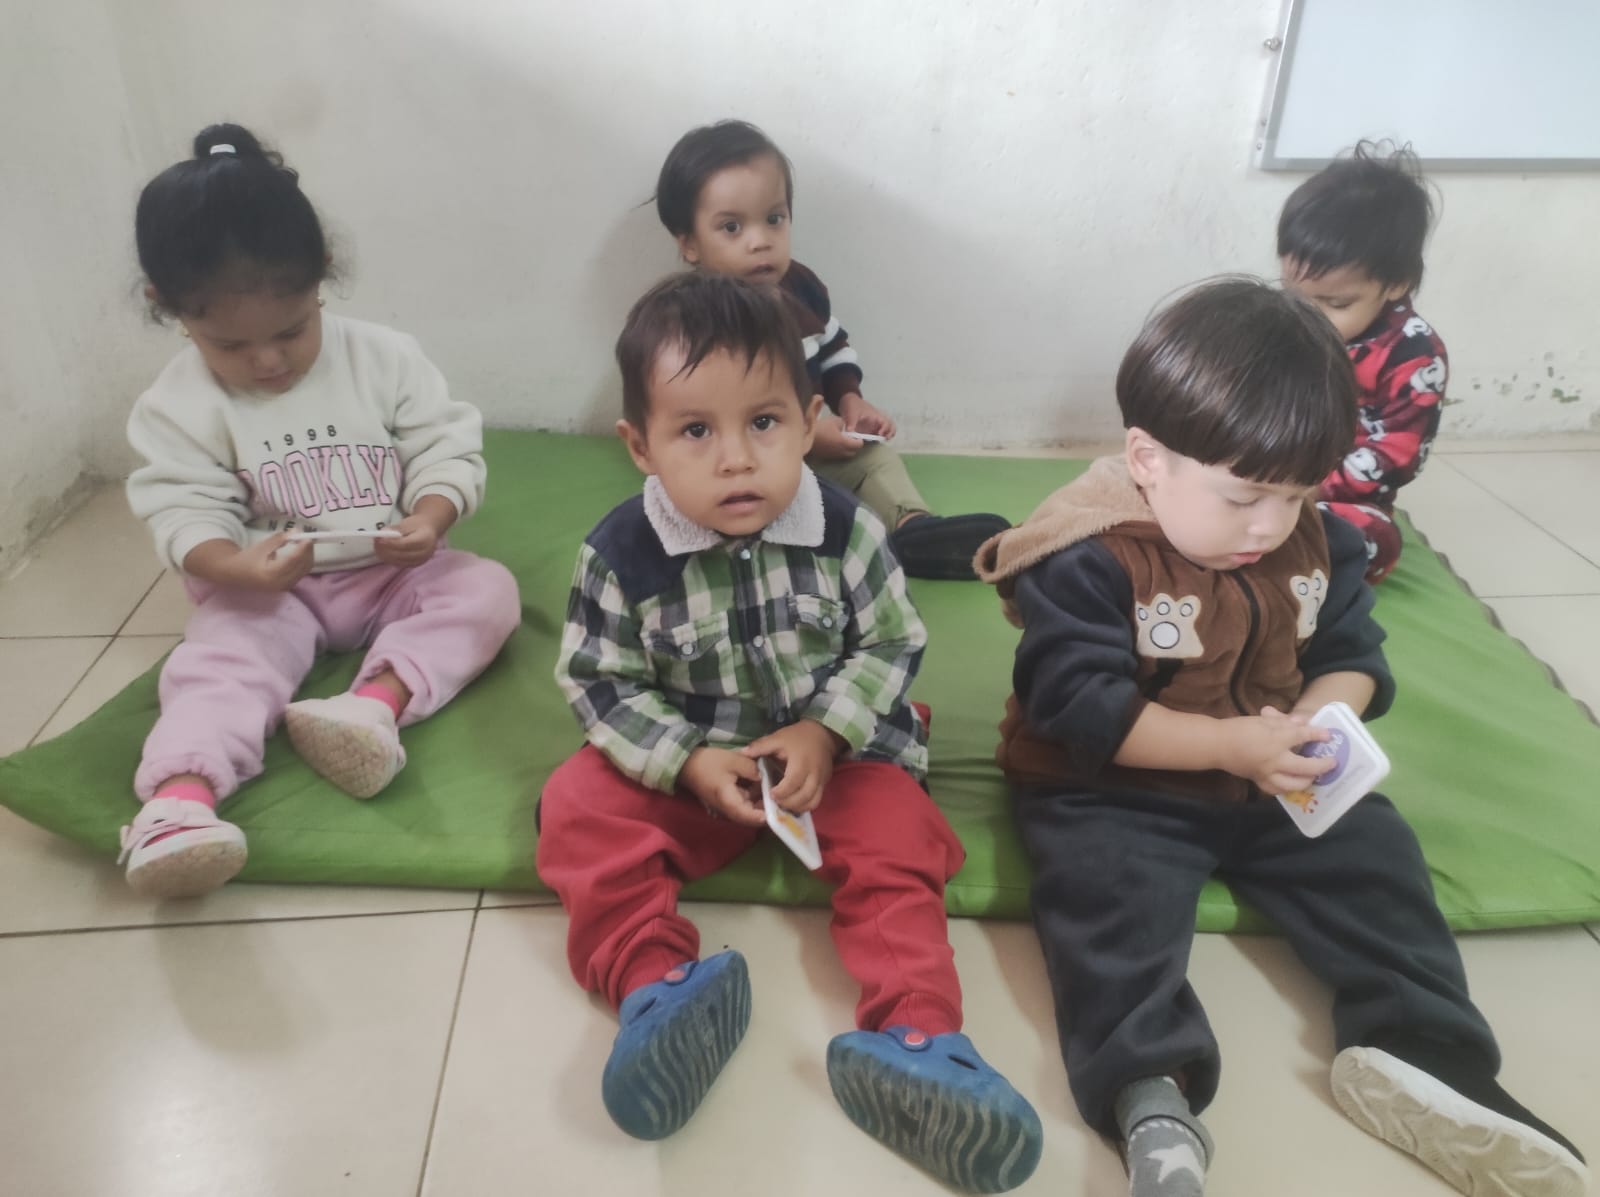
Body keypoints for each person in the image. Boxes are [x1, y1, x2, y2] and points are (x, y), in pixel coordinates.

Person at [975, 278, 1588, 1197]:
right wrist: (1227, 746)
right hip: (1112, 783)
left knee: (1379, 857)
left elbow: (1352, 654)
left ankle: (1426, 1052)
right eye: (1246, 494)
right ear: (1147, 459)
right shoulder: (1090, 554)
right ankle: (1153, 1096)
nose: (1270, 524)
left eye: (1299, 493)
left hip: (1269, 774)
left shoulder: (1315, 542)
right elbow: (1078, 703)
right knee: (1105, 902)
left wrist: (1312, 725)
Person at [538, 272, 1041, 1193]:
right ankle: (656, 991)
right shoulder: (618, 554)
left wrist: (827, 732)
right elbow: (598, 681)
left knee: (901, 841)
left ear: (810, 422)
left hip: (836, 766)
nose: (737, 459)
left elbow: (892, 641)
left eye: (763, 422)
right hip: (698, 761)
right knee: (575, 804)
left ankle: (921, 1040)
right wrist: (686, 759)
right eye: (696, 431)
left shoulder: (849, 532)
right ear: (640, 445)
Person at [118, 123, 520, 898]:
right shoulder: (175, 405)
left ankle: (370, 709)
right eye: (230, 345)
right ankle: (178, 803)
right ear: (167, 307)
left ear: (322, 275)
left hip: (390, 572)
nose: (268, 360)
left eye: (291, 330)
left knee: (487, 591)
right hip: (270, 590)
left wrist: (431, 517)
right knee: (219, 665)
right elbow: (179, 509)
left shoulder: (383, 357)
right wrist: (235, 567)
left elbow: (445, 446)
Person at [653, 119, 1009, 581]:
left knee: (875, 461)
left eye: (774, 219)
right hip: (742, 462)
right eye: (732, 227)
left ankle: (913, 529)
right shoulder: (694, 324)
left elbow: (832, 343)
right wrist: (804, 435)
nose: (760, 240)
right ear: (689, 243)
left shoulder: (801, 288)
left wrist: (850, 400)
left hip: (807, 447)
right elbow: (707, 419)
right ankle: (826, 542)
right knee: (780, 498)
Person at [1279, 142, 1447, 583]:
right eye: (1295, 296)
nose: (1308, 315)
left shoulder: (1414, 354)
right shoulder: (1283, 321)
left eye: (1335, 303)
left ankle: (1274, 555)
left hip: (1336, 497)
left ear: (1396, 284)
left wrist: (1308, 490)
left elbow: (1396, 454)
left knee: (1373, 540)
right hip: (1262, 473)